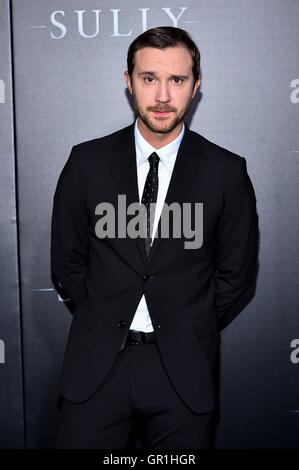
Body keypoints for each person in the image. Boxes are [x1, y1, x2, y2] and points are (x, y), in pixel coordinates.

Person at [51, 26, 258, 449]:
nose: (162, 96)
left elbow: (236, 274)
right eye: (149, 79)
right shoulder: (86, 162)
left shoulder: (226, 171)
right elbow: (66, 263)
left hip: (182, 369)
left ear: (195, 87)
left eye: (176, 80)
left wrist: (187, 319)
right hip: (97, 366)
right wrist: (104, 311)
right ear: (128, 81)